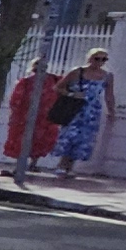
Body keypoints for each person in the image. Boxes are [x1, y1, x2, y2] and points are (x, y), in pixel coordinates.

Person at [49, 47, 113, 180]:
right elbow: (58, 87)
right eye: (97, 58)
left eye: (104, 59)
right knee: (69, 136)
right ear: (90, 58)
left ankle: (70, 167)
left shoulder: (107, 76)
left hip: (92, 111)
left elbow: (109, 95)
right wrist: (72, 93)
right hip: (75, 108)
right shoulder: (77, 72)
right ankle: (62, 165)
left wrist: (112, 111)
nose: (100, 62)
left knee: (83, 139)